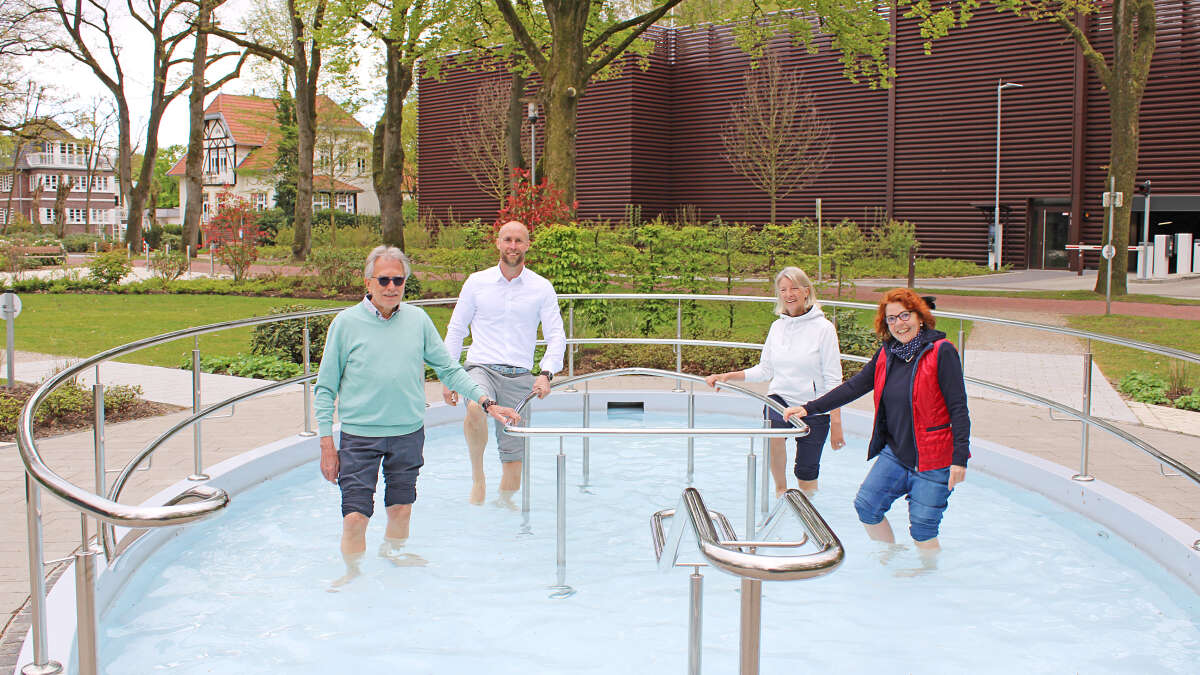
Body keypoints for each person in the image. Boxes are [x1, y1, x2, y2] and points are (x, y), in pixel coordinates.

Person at [315, 245, 520, 590]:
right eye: (384, 279)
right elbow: (325, 388)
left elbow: (449, 370)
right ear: (368, 282)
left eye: (399, 279)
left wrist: (487, 403)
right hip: (359, 436)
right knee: (354, 516)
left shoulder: (418, 321)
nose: (392, 286)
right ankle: (353, 573)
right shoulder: (345, 324)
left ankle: (393, 555)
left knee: (401, 509)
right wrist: (325, 443)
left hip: (407, 433)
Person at [783, 289, 969, 553]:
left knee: (923, 528)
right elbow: (854, 387)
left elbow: (959, 408)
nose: (899, 324)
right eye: (891, 319)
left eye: (904, 315)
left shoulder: (941, 352)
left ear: (919, 316)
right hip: (897, 453)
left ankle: (927, 580)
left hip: (933, 458)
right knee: (867, 506)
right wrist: (809, 408)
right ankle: (889, 557)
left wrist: (959, 459)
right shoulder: (888, 353)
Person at [442, 220, 567, 505]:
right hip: (480, 367)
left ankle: (504, 509)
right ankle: (478, 478)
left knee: (513, 462)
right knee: (475, 405)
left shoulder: (541, 287)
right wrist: (450, 375)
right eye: (507, 239)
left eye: (518, 241)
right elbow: (457, 329)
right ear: (498, 243)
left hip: (520, 376)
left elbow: (557, 335)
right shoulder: (476, 282)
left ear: (527, 245)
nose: (513, 246)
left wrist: (546, 373)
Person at [705, 266, 844, 497]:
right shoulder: (777, 327)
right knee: (774, 438)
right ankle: (780, 491)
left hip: (815, 406)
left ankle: (807, 505)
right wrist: (729, 376)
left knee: (806, 472)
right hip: (780, 399)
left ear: (806, 291)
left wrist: (837, 424)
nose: (789, 294)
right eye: (783, 290)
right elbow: (765, 369)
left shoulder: (824, 329)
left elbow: (833, 380)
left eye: (794, 289)